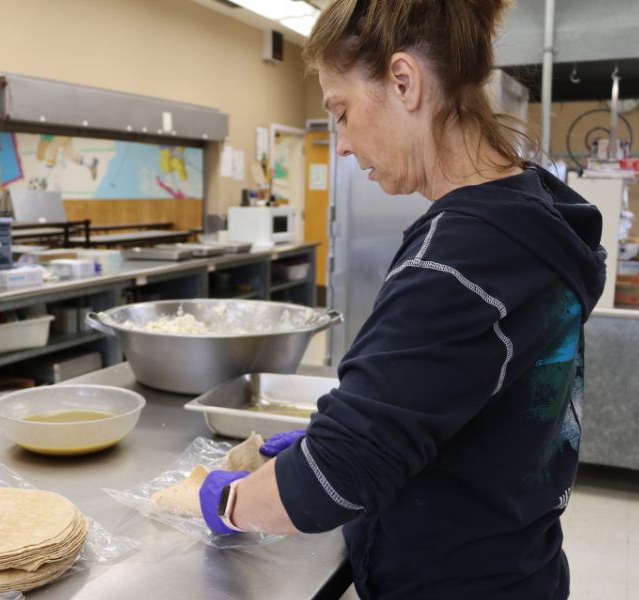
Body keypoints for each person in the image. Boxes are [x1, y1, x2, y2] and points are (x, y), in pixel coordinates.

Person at [199, 0, 607, 598]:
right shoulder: (534, 212)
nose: (340, 143)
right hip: (520, 564)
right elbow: (454, 391)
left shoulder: (459, 257)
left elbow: (336, 477)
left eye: (341, 111)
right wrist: (357, 429)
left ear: (403, 81)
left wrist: (229, 500)